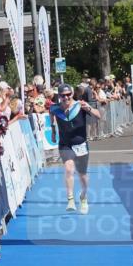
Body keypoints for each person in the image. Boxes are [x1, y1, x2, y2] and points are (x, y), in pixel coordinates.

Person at [50, 83, 101, 214]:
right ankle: (70, 199)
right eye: (63, 96)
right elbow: (51, 115)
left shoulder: (80, 105)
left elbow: (98, 115)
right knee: (69, 169)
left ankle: (83, 196)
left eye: (68, 95)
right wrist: (53, 131)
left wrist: (89, 108)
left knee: (82, 175)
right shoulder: (55, 108)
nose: (66, 98)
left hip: (80, 144)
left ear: (72, 94)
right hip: (65, 144)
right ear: (59, 96)